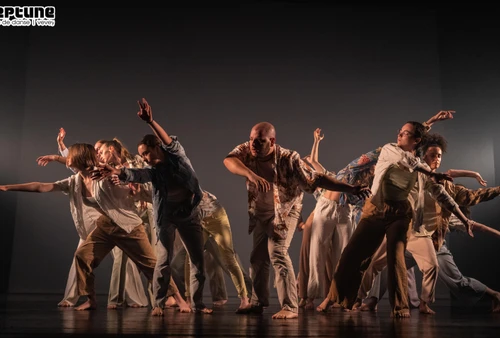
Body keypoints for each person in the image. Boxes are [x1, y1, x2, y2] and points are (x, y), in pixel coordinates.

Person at [1, 143, 191, 312]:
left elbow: (124, 179)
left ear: (80, 159)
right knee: (82, 257)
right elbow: (42, 186)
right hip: (106, 225)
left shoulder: (103, 173)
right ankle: (91, 299)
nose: (68, 159)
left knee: (151, 265)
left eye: (71, 156)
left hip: (128, 226)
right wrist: (8, 187)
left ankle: (180, 300)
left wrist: (127, 183)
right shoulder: (75, 181)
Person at [320, 118, 474, 318]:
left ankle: (400, 307)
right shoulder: (389, 149)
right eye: (400, 131)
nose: (399, 135)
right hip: (375, 210)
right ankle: (335, 297)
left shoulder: (422, 169)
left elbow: (442, 195)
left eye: (405, 133)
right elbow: (406, 161)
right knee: (352, 254)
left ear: (417, 140)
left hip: (400, 215)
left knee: (396, 258)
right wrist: (429, 172)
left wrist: (464, 219)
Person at [222, 121, 371, 319]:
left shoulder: (288, 158)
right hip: (260, 212)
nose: (253, 145)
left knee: (277, 253)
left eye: (259, 141)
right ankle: (258, 302)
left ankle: (290, 306)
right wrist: (251, 174)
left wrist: (350, 189)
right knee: (257, 258)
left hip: (285, 212)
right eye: (251, 140)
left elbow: (316, 179)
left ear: (272, 141)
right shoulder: (247, 150)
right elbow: (229, 160)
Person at [96, 98, 212, 315]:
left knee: (198, 261)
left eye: (147, 153)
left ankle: (198, 304)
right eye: (142, 156)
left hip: (188, 215)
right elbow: (138, 174)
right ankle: (158, 303)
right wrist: (115, 172)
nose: (145, 158)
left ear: (157, 147)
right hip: (166, 216)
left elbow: (170, 143)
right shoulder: (154, 171)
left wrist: (151, 121)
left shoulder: (178, 158)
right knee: (163, 260)